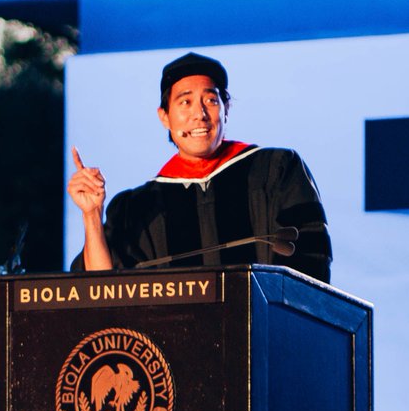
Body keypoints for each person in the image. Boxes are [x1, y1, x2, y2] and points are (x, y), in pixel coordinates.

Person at [67, 51, 332, 282]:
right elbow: (103, 290)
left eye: (211, 100)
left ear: (226, 108)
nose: (199, 114)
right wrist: (91, 214)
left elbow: (311, 260)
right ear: (164, 117)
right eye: (185, 102)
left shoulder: (275, 171)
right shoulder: (136, 208)